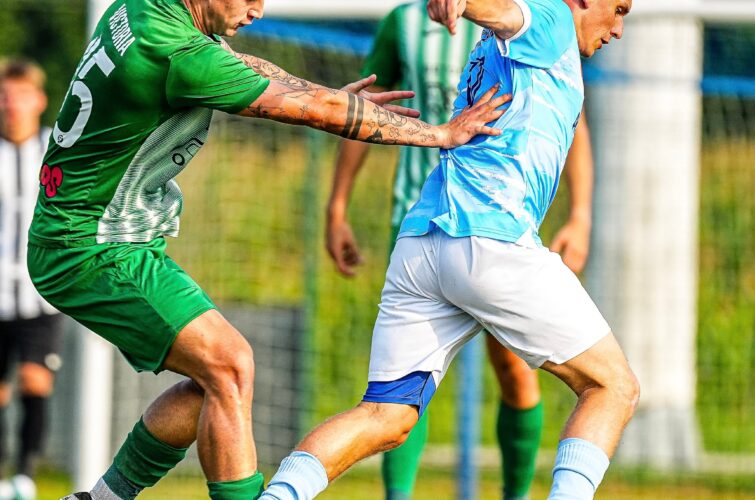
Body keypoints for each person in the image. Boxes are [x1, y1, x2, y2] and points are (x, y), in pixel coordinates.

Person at [25, 1, 508, 499]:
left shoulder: (147, 10)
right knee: (230, 364)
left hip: (103, 238)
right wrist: (441, 134)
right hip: (92, 247)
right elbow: (314, 111)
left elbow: (245, 66)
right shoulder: (175, 53)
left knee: (216, 382)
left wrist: (324, 94)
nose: (258, 11)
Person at [261, 0, 639, 499]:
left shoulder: (512, 47)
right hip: (490, 243)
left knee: (384, 416)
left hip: (422, 244)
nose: (618, 28)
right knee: (613, 386)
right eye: (619, 8)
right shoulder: (551, 20)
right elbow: (505, 11)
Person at [0, 59, 65, 500]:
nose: (13, 104)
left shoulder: (54, 149)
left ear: (39, 101)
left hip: (40, 293)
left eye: (21, 95)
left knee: (34, 380)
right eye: (6, 96)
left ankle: (24, 476)